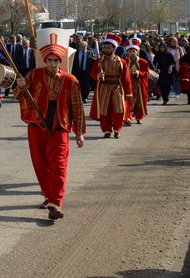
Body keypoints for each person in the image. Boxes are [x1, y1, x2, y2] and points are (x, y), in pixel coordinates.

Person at [14, 30, 86, 221]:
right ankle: (48, 194)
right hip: (36, 127)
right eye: (50, 60)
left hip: (59, 127)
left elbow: (77, 107)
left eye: (56, 60)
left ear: (60, 61)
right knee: (41, 165)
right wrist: (20, 86)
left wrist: (79, 132)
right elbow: (19, 96)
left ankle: (56, 203)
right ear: (45, 61)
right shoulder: (33, 75)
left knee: (59, 166)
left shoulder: (70, 80)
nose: (53, 64)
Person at [89, 33, 131, 138]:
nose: (106, 49)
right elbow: (92, 73)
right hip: (104, 87)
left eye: (108, 48)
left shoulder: (122, 62)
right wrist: (98, 75)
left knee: (118, 110)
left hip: (117, 87)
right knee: (104, 110)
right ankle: (107, 130)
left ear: (114, 48)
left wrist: (128, 92)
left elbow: (126, 77)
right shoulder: (99, 61)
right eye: (105, 47)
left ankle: (117, 130)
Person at [124, 43, 150, 125]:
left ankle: (139, 117)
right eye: (130, 51)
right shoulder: (124, 62)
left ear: (137, 52)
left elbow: (147, 73)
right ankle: (128, 117)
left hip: (140, 85)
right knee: (129, 102)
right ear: (127, 53)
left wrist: (138, 73)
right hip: (129, 85)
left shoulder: (143, 62)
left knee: (140, 102)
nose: (132, 53)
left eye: (134, 51)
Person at [70, 39, 95, 104]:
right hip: (78, 71)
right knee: (79, 84)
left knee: (86, 85)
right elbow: (73, 63)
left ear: (86, 47)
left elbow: (93, 63)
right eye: (81, 47)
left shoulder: (90, 53)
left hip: (87, 71)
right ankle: (80, 96)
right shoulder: (76, 53)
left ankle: (85, 97)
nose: (83, 48)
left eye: (84, 47)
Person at [154, 39, 177, 105]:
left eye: (163, 47)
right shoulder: (158, 55)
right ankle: (165, 99)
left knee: (168, 86)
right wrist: (155, 69)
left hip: (168, 72)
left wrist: (171, 66)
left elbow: (173, 62)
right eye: (161, 47)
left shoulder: (169, 55)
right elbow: (154, 63)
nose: (162, 48)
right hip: (161, 72)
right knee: (162, 86)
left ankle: (166, 96)